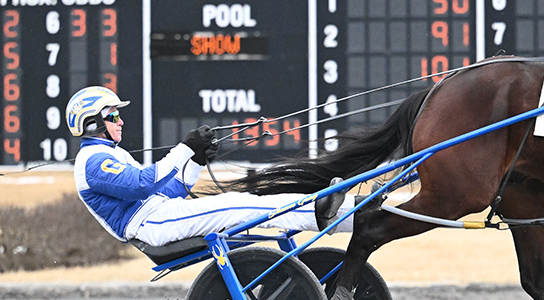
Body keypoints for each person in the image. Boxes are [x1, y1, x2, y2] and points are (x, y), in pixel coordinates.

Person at [66, 86, 351, 248]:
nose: (120, 121)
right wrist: (184, 148)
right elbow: (143, 183)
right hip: (149, 225)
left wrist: (195, 161)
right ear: (93, 123)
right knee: (238, 205)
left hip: (159, 214)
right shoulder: (92, 161)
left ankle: (348, 214)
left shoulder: (108, 154)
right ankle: (317, 211)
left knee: (247, 204)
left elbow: (173, 190)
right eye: (114, 115)